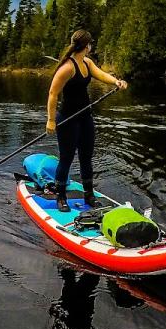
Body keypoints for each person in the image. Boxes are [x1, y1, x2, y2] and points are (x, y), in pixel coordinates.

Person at [46, 29, 128, 212]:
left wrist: (116, 82)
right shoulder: (67, 68)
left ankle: (89, 194)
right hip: (67, 119)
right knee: (66, 158)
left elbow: (102, 75)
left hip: (85, 118)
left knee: (86, 157)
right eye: (91, 43)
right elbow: (53, 94)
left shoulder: (87, 63)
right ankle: (60, 197)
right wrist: (51, 120)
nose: (92, 46)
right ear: (87, 46)